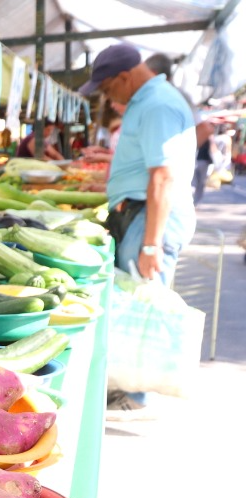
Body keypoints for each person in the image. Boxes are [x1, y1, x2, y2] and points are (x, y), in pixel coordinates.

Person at [82, 43, 197, 417]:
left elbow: (163, 175)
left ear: (124, 77)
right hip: (141, 214)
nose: (106, 95)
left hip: (150, 218)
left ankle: (139, 394)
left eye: (106, 87)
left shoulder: (157, 104)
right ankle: (132, 388)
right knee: (137, 304)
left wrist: (150, 245)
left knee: (146, 305)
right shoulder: (149, 101)